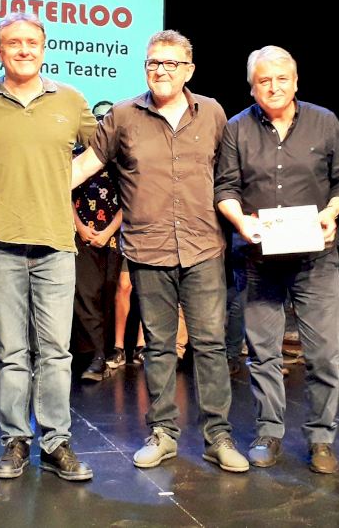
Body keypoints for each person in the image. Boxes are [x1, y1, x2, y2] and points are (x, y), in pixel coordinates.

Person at [73, 30, 249, 473]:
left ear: (189, 70)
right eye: (154, 62)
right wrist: (33, 190)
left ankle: (218, 437)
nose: (161, 70)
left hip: (203, 247)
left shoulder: (212, 112)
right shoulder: (123, 115)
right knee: (158, 346)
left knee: (209, 345)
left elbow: (231, 175)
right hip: (148, 249)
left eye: (171, 63)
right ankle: (163, 434)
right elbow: (86, 164)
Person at [0, 12, 97, 482]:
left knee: (56, 352)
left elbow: (103, 148)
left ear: (43, 47)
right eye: (13, 42)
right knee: (12, 353)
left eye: (31, 42)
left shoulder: (70, 100)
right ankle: (16, 441)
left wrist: (66, 179)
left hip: (55, 243)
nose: (23, 49)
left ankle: (56, 443)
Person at [215, 45, 339, 474]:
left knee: (324, 354)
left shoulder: (324, 121)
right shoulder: (236, 128)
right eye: (264, 80)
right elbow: (225, 187)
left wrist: (331, 213)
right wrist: (240, 221)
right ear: (252, 87)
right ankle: (268, 432)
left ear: (296, 82)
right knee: (263, 354)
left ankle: (321, 438)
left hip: (316, 258)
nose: (274, 87)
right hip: (258, 258)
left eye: (282, 79)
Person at [72, 100, 124, 382]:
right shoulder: (76, 156)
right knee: (85, 294)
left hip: (114, 237)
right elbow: (64, 193)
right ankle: (95, 355)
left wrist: (108, 232)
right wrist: (80, 227)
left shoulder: (122, 159)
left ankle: (105, 353)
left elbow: (131, 200)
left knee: (108, 293)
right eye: (98, 119)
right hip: (81, 235)